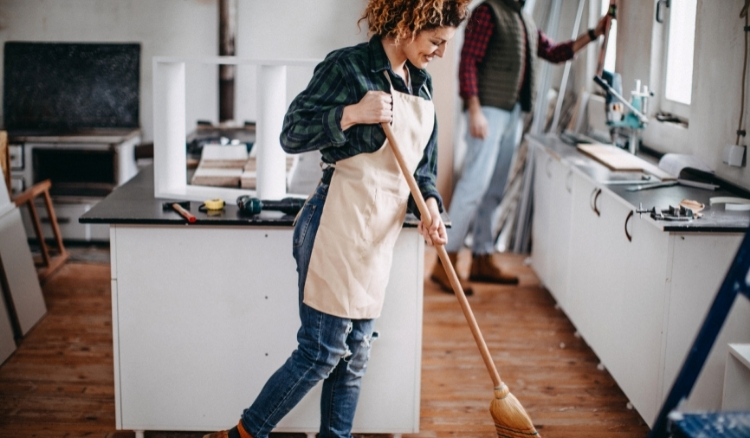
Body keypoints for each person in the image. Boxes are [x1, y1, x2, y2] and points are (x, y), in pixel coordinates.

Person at [203, 1, 470, 437]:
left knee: (357, 351)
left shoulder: (420, 87)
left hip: (376, 235)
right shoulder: (348, 67)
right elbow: (291, 132)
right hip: (336, 223)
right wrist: (351, 113)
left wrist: (431, 208)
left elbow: (423, 170)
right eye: (436, 41)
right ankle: (241, 435)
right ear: (408, 25)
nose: (440, 53)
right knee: (321, 351)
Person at [430, 0, 611, 294]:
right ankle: (444, 263)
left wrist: (594, 33)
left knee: (494, 189)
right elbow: (468, 62)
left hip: (512, 113)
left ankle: (482, 258)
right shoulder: (488, 12)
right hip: (487, 112)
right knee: (473, 187)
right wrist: (474, 110)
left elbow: (554, 52)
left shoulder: (523, 19)